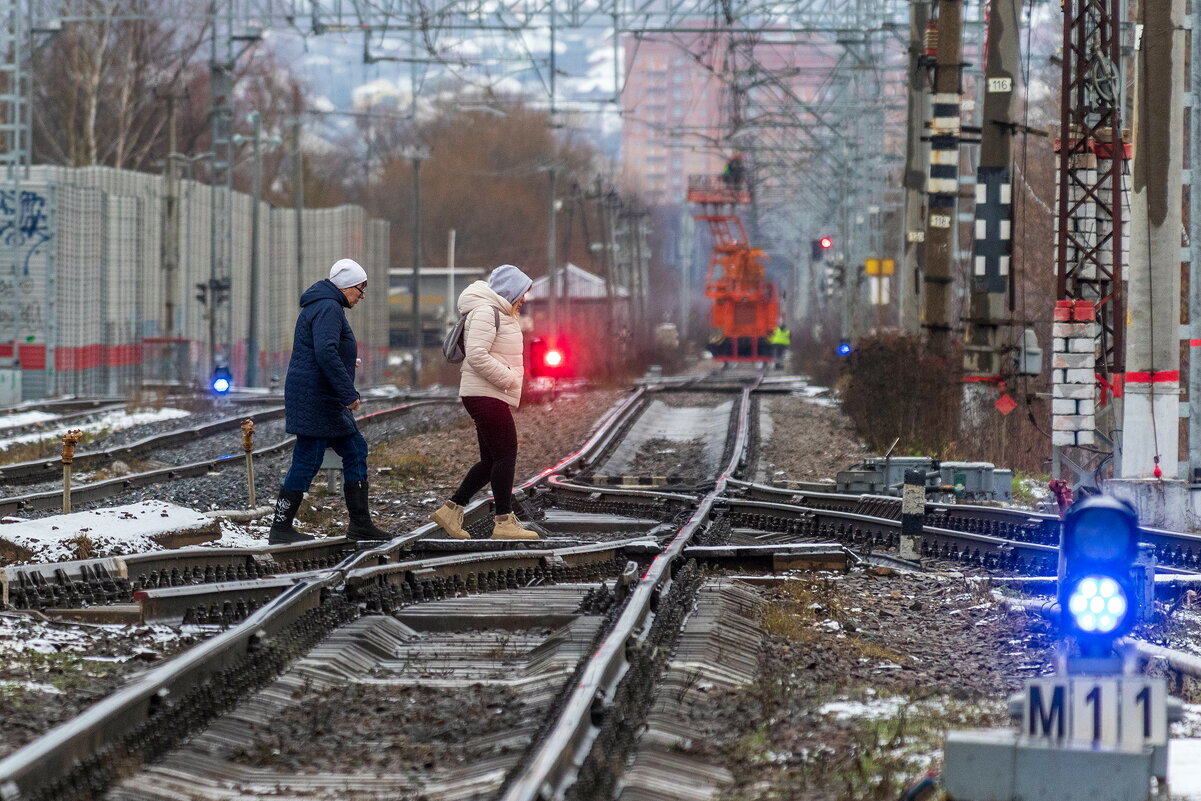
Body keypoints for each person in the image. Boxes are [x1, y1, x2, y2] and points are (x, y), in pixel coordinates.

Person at [268, 258, 391, 545]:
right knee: (308, 459)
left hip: (319, 395)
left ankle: (360, 524)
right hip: (318, 397)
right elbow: (325, 352)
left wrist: (349, 362)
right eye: (361, 289)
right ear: (348, 286)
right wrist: (348, 393)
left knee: (355, 448)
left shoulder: (323, 305)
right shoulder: (328, 308)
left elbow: (324, 350)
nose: (362, 296)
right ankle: (281, 528)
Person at [430, 264, 540, 540]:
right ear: (510, 291)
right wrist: (509, 379)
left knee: (491, 459)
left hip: (487, 394)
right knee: (506, 455)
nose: (524, 299)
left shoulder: (499, 312)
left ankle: (451, 510)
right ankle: (504, 522)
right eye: (522, 293)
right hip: (486, 394)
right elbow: (477, 355)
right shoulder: (485, 312)